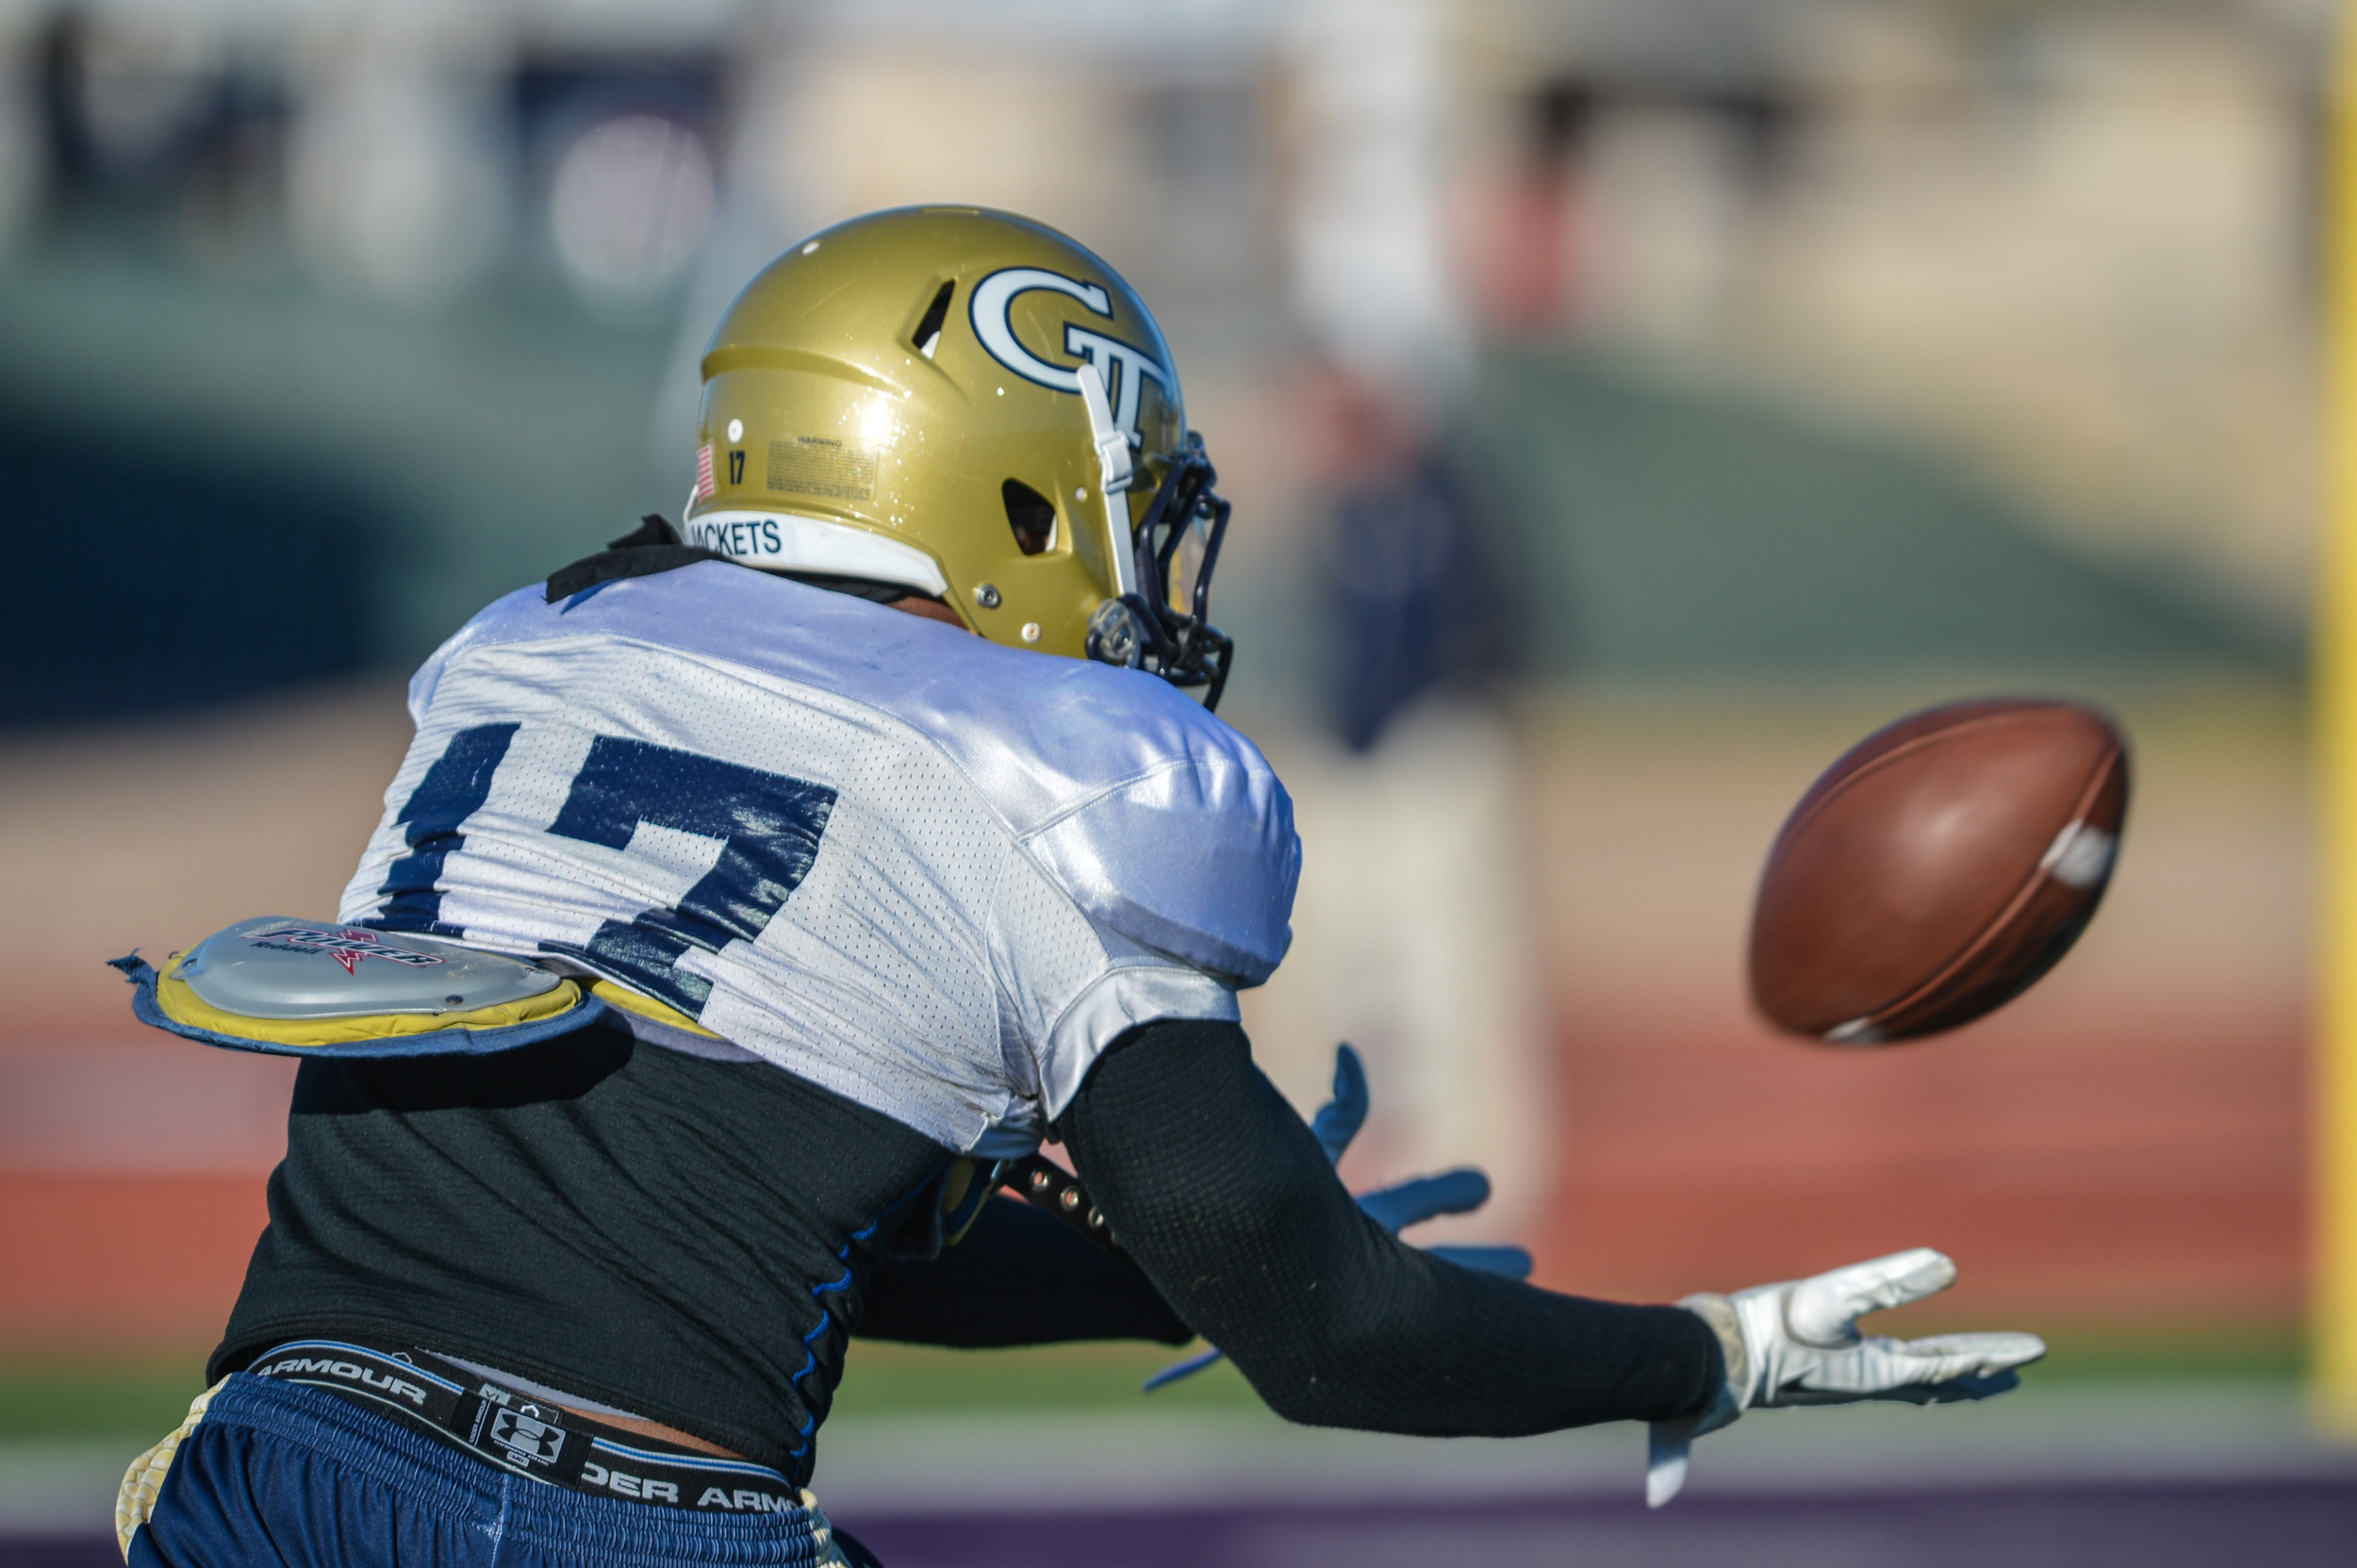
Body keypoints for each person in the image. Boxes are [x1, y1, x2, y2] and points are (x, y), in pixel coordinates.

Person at [113, 207, 2042, 1568]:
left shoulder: (532, 650)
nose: (1151, 562)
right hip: (629, 1518)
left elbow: (672, 1222)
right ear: (1006, 487)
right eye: (1124, 498)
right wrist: (1698, 1353)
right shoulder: (1056, 765)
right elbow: (1339, 1344)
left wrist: (1153, 1266)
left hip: (275, 1463)